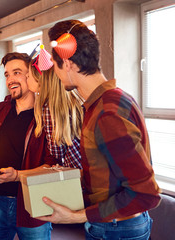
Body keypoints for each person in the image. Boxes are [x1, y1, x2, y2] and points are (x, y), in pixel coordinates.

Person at [37, 20, 161, 240]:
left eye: (55, 66)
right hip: (118, 225)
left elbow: (146, 194)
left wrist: (75, 216)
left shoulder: (107, 113)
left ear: (67, 64)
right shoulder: (114, 99)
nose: (54, 74)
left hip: (116, 228)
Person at [0, 52, 57, 240]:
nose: (10, 79)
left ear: (31, 75)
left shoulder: (47, 115)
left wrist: (17, 176)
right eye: (7, 74)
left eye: (17, 73)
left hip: (34, 202)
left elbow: (53, 164)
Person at [27, 49, 83, 169]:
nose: (26, 80)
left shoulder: (49, 109)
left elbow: (56, 153)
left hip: (73, 172)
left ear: (40, 81)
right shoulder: (74, 100)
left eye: (28, 76)